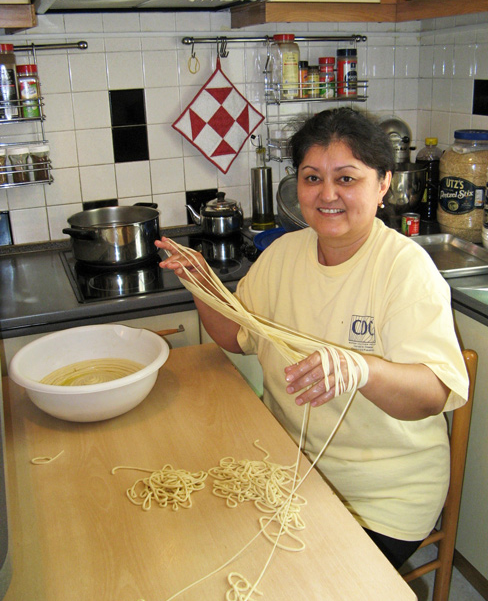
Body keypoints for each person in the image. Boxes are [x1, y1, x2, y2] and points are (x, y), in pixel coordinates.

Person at [156, 107, 469, 570]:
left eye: (346, 178)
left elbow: (433, 393)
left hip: (381, 499)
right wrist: (202, 285)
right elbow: (240, 337)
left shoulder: (405, 269)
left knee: (287, 584)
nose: (327, 195)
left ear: (383, 184)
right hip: (284, 465)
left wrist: (361, 369)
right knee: (194, 548)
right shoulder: (284, 252)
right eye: (311, 178)